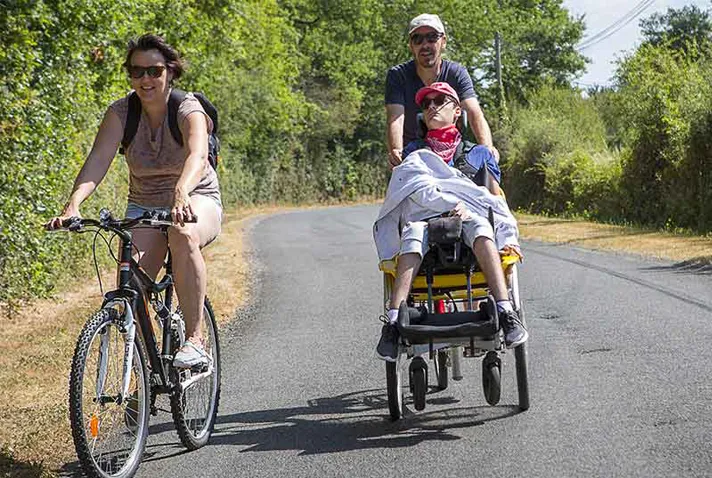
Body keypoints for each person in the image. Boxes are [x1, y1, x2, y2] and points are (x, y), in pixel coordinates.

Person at [45, 33, 222, 369]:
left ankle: (196, 339)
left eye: (154, 71)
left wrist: (181, 191)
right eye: (136, 71)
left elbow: (198, 156)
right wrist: (73, 205)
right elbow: (98, 160)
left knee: (182, 232)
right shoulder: (121, 113)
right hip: (144, 207)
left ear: (170, 72)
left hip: (196, 197)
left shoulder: (187, 109)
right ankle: (145, 371)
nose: (145, 79)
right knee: (131, 283)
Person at [373, 84, 528, 362]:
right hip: (426, 221)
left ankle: (506, 313)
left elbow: (492, 198)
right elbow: (406, 194)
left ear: (457, 111)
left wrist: (468, 207)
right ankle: (393, 324)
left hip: (468, 220)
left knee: (481, 227)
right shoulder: (414, 152)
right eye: (426, 103)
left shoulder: (479, 153)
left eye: (439, 101)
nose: (431, 106)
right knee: (411, 233)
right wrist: (441, 206)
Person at [385, 13, 499, 169]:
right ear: (411, 45)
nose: (425, 45)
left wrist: (487, 149)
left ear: (443, 42)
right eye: (417, 39)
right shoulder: (398, 75)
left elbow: (474, 114)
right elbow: (395, 117)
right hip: (413, 157)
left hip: (454, 156)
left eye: (432, 37)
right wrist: (396, 152)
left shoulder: (457, 73)